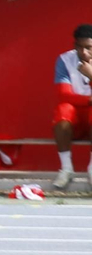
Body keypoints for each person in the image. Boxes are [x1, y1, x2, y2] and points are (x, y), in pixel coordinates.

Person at [51, 24, 92, 191]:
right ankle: (66, 168)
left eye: (89, 47)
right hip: (75, 116)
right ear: (74, 45)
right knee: (63, 110)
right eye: (79, 47)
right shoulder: (65, 60)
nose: (84, 53)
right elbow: (64, 95)